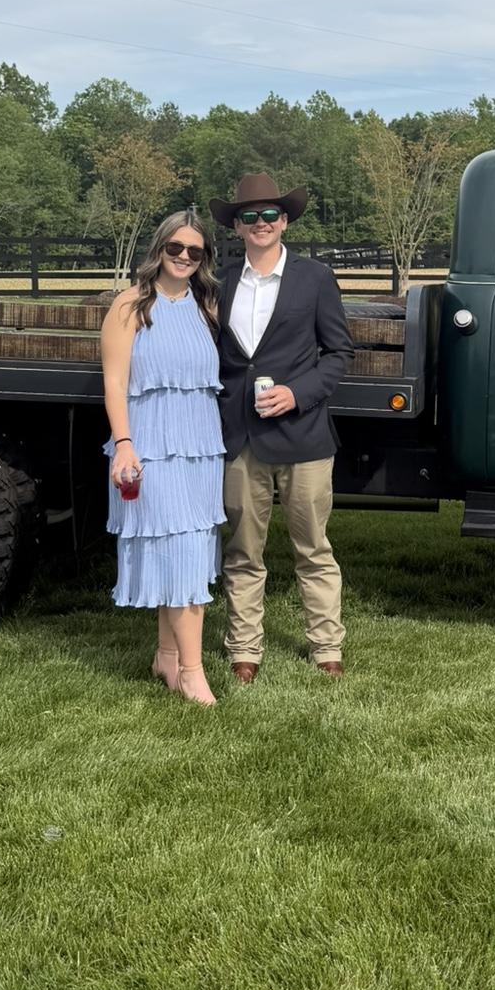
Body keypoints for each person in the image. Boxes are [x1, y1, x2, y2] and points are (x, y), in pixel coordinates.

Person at [210, 173, 353, 681]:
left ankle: (326, 647)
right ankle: (244, 650)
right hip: (241, 437)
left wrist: (298, 393)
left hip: (304, 436)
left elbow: (338, 353)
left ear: (285, 221)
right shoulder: (220, 282)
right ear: (237, 227)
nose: (261, 223)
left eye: (270, 214)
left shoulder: (315, 278)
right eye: (250, 216)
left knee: (313, 549)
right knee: (243, 551)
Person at [100, 210, 227, 704]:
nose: (184, 257)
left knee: (188, 549)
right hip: (151, 447)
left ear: (204, 258)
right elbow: (114, 382)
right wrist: (124, 444)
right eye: (176, 247)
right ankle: (193, 673)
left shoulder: (205, 306)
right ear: (159, 248)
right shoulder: (130, 304)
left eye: (195, 251)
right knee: (182, 556)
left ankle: (167, 657)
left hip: (200, 450)